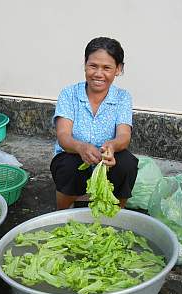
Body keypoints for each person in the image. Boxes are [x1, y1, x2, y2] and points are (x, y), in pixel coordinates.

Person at [50, 36, 139, 210]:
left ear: (118, 69)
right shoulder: (69, 94)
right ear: (85, 65)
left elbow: (124, 135)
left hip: (107, 158)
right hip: (73, 154)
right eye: (93, 66)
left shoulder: (122, 97)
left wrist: (112, 147)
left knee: (127, 164)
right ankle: (62, 213)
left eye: (107, 68)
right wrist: (80, 148)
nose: (98, 73)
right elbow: (63, 136)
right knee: (69, 166)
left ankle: (116, 214)